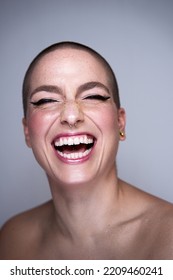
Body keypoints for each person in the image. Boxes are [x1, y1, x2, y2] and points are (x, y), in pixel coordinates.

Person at [0, 41, 173, 260]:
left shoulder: (168, 239)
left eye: (93, 96)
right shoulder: (12, 240)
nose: (71, 116)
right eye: (46, 100)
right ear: (27, 132)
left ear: (120, 123)